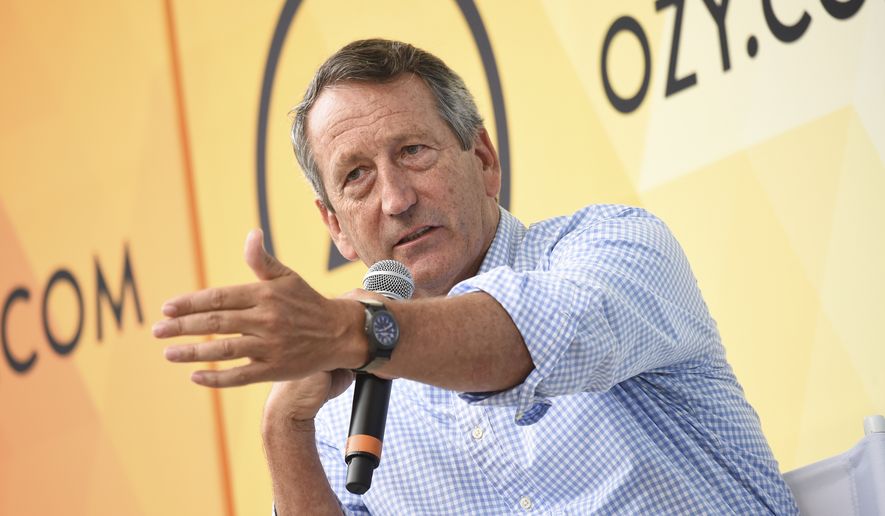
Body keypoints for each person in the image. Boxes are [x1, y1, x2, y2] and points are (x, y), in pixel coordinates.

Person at [153, 39, 798, 514]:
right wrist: (283, 429)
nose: (396, 198)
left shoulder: (616, 247)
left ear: (484, 160)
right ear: (336, 228)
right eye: (357, 176)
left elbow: (526, 337)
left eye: (413, 151)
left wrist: (362, 331)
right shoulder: (331, 409)